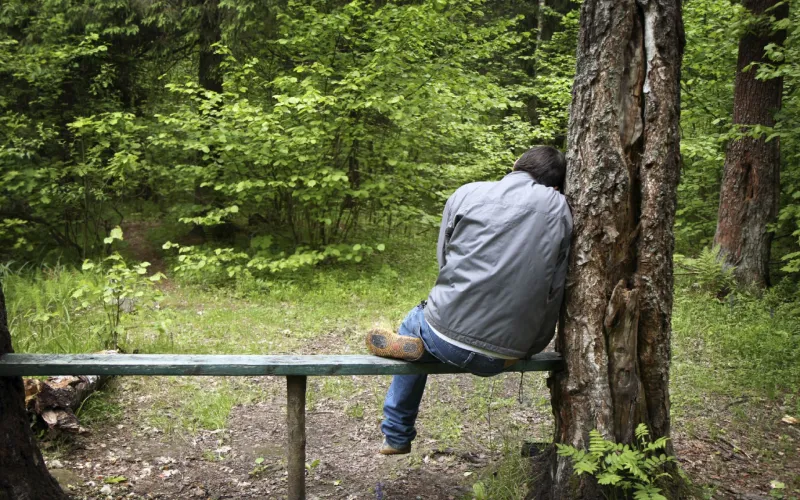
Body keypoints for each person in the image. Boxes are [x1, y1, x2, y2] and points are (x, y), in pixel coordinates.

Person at [366, 145, 573, 455]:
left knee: (415, 321)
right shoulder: (560, 209)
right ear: (555, 186)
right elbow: (556, 287)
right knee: (447, 331)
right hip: (508, 353)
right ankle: (428, 348)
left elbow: (445, 260)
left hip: (446, 333)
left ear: (514, 167)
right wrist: (531, 346)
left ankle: (396, 433)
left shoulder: (467, 193)